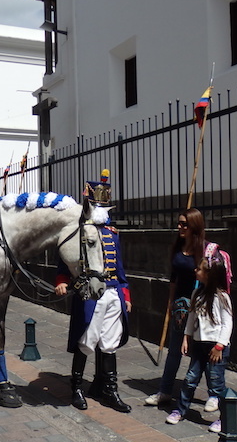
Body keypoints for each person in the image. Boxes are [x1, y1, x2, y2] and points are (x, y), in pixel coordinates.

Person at [54, 170, 133, 413]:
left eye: (103, 206)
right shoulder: (79, 232)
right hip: (90, 291)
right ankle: (76, 387)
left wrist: (125, 295)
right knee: (85, 339)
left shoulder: (112, 234)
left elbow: (120, 268)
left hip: (112, 293)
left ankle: (108, 389)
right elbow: (65, 261)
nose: (100, 210)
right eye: (96, 205)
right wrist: (61, 280)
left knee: (110, 342)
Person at [145, 207, 207, 407]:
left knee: (199, 351)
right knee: (174, 350)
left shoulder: (204, 250)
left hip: (199, 306)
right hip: (181, 306)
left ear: (194, 226)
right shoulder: (178, 249)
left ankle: (213, 394)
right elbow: (174, 278)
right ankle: (165, 390)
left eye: (184, 224)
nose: (179, 227)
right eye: (179, 223)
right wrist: (171, 303)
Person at [165, 252, 233, 432]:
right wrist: (187, 337)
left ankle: (224, 418)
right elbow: (191, 318)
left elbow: (228, 324)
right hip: (199, 344)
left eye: (200, 269)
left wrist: (220, 346)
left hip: (215, 347)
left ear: (209, 274)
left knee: (216, 383)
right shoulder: (197, 293)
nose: (196, 270)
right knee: (190, 379)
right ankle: (180, 410)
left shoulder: (222, 297)